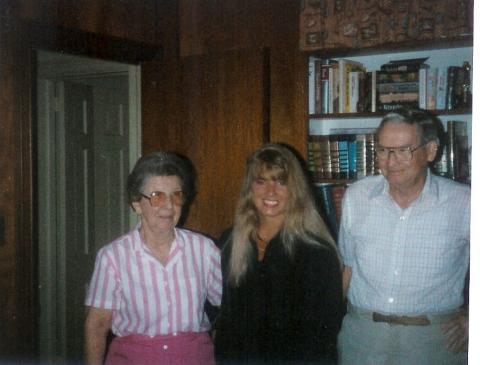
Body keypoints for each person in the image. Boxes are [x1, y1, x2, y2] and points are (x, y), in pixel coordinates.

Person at [338, 108, 470, 364]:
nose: (390, 161)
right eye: (383, 150)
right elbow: (348, 266)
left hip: (435, 339)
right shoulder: (357, 196)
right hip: (363, 335)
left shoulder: (464, 202)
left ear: (430, 151)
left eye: (403, 151)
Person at [84, 151, 222, 365]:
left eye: (176, 195)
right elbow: (97, 325)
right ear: (136, 204)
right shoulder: (113, 257)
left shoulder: (205, 250)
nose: (168, 205)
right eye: (157, 196)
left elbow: (230, 308)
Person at [215, 143, 344, 364]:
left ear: (295, 190)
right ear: (249, 188)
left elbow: (323, 334)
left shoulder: (317, 250)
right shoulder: (230, 241)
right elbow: (226, 320)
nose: (270, 192)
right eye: (261, 181)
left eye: (281, 182)